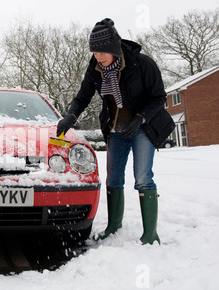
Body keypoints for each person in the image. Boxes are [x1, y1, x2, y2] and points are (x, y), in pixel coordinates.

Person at [57, 18, 175, 245]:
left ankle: (150, 234)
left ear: (113, 48)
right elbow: (83, 97)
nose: (98, 57)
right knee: (114, 178)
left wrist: (140, 119)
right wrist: (71, 116)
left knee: (142, 177)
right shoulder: (95, 69)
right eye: (94, 52)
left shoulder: (141, 64)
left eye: (102, 52)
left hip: (143, 128)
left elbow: (159, 97)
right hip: (115, 128)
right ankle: (113, 226)